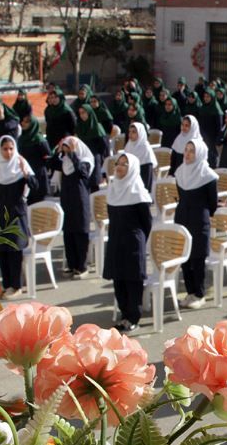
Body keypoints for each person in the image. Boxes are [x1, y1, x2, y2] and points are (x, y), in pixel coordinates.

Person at [104, 152, 154, 331]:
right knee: (119, 279)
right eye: (118, 163)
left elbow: (147, 222)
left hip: (133, 241)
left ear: (132, 168)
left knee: (133, 280)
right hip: (116, 239)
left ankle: (133, 317)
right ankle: (124, 314)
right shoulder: (113, 187)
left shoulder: (138, 192)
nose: (119, 166)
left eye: (124, 164)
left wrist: (138, 238)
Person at [0, 136, 37, 298]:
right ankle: (7, 284)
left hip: (16, 213)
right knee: (1, 249)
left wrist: (25, 174)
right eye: (5, 149)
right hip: (0, 214)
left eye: (11, 148)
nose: (8, 152)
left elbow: (36, 186)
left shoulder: (20, 165)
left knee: (14, 249)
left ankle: (17, 286)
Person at [174, 138, 218, 309]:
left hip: (199, 219)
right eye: (186, 150)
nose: (188, 154)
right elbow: (180, 195)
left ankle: (199, 294)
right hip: (183, 217)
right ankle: (190, 292)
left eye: (192, 151)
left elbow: (212, 203)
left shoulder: (208, 176)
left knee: (198, 258)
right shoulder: (180, 172)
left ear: (199, 153)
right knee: (185, 258)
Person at [52, 136, 94, 279]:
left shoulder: (85, 160)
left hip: (80, 200)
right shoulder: (65, 163)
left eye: (69, 147)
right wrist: (58, 151)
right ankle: (72, 265)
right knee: (68, 233)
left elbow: (83, 171)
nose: (67, 150)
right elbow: (51, 163)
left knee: (80, 232)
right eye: (66, 147)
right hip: (67, 200)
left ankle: (82, 267)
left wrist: (73, 153)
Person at [18, 114, 52, 204]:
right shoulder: (21, 139)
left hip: (39, 174)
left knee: (39, 205)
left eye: (26, 122)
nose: (23, 124)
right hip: (26, 174)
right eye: (23, 121)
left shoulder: (39, 139)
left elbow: (48, 156)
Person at [75, 104, 107, 189]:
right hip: (84, 157)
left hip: (95, 155)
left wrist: (99, 156)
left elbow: (104, 145)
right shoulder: (79, 126)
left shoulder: (97, 127)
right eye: (80, 113)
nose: (82, 115)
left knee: (94, 183)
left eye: (84, 113)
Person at [124, 122, 156, 193]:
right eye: (130, 132)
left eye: (134, 132)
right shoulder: (128, 145)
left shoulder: (145, 148)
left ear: (140, 133)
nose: (130, 134)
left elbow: (147, 174)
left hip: (143, 181)